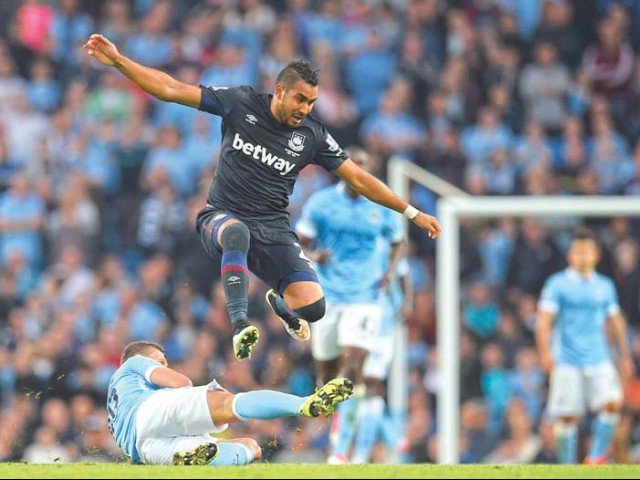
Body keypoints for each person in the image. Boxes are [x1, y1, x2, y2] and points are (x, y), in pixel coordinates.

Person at [82, 34, 441, 361]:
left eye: (312, 102)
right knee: (237, 232)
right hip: (220, 217)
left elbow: (360, 179)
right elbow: (171, 88)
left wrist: (411, 212)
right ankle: (240, 324)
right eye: (300, 99)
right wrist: (119, 62)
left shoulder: (312, 135)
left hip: (273, 229)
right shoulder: (240, 103)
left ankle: (279, 302)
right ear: (280, 90)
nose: (305, 109)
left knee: (315, 309)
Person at [295, 147, 405, 464]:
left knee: (355, 366)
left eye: (365, 168)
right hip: (329, 296)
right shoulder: (322, 203)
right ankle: (335, 424)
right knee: (328, 377)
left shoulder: (381, 204)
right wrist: (315, 257)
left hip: (366, 298)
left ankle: (341, 449)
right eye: (354, 167)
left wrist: (389, 271)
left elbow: (399, 242)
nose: (360, 173)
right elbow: (300, 239)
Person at [106, 340, 353, 466]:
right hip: (151, 411)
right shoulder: (133, 363)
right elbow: (182, 383)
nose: (163, 365)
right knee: (227, 403)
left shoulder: (114, 405)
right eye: (159, 361)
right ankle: (303, 404)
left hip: (144, 449)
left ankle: (197, 457)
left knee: (251, 446)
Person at [535, 227, 634, 464]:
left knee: (612, 403)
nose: (582, 255)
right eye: (578, 251)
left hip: (598, 356)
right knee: (567, 416)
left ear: (596, 254)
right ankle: (567, 466)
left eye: (587, 250)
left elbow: (616, 321)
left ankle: (596, 456)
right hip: (567, 358)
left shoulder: (605, 285)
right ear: (570, 255)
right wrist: (545, 353)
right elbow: (543, 320)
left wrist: (625, 356)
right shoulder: (557, 284)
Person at [352, 250, 413, 464]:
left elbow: (405, 276)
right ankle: (393, 438)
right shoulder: (360, 254)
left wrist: (406, 303)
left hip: (383, 328)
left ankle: (364, 450)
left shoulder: (390, 251)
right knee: (365, 388)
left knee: (368, 386)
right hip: (364, 327)